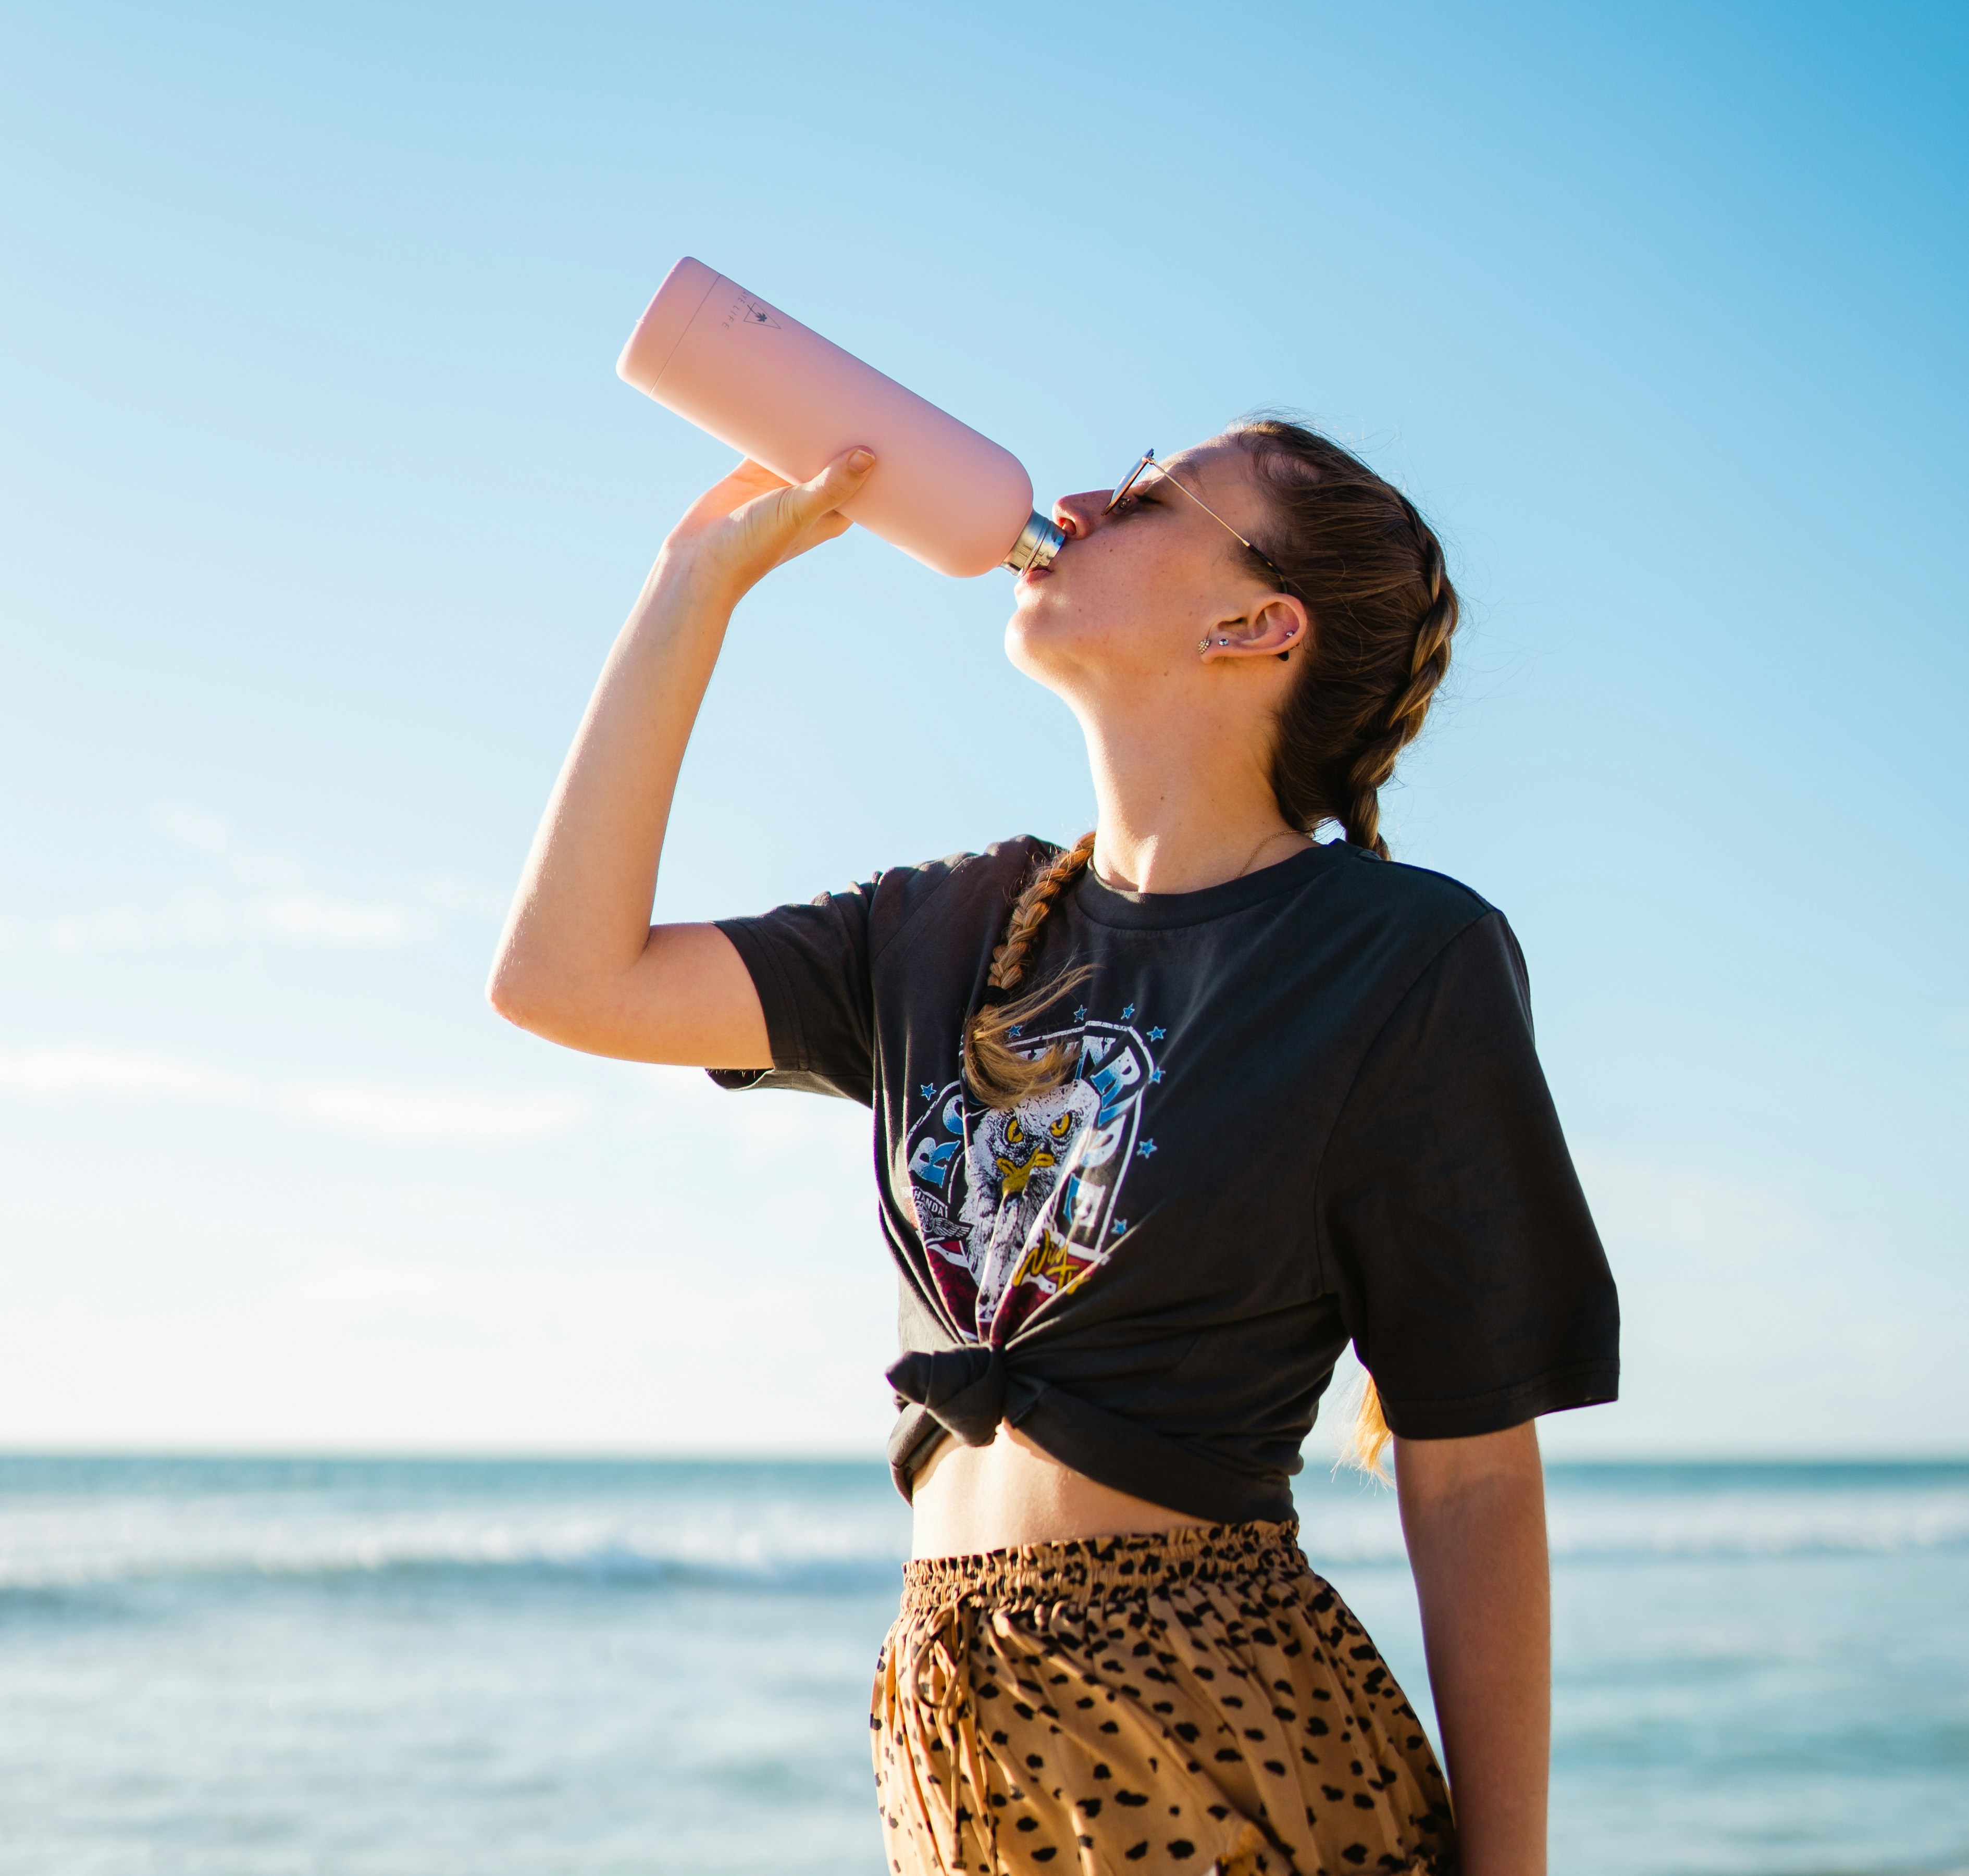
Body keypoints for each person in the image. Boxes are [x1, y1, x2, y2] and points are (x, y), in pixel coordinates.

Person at [488, 418, 1619, 1876]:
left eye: (1151, 495)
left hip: (1213, 1730)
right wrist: (689, 586)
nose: (1078, 501)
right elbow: (565, 977)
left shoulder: (1398, 958)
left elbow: (1467, 1469)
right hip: (955, 1738)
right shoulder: (941, 930)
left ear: (1255, 623)